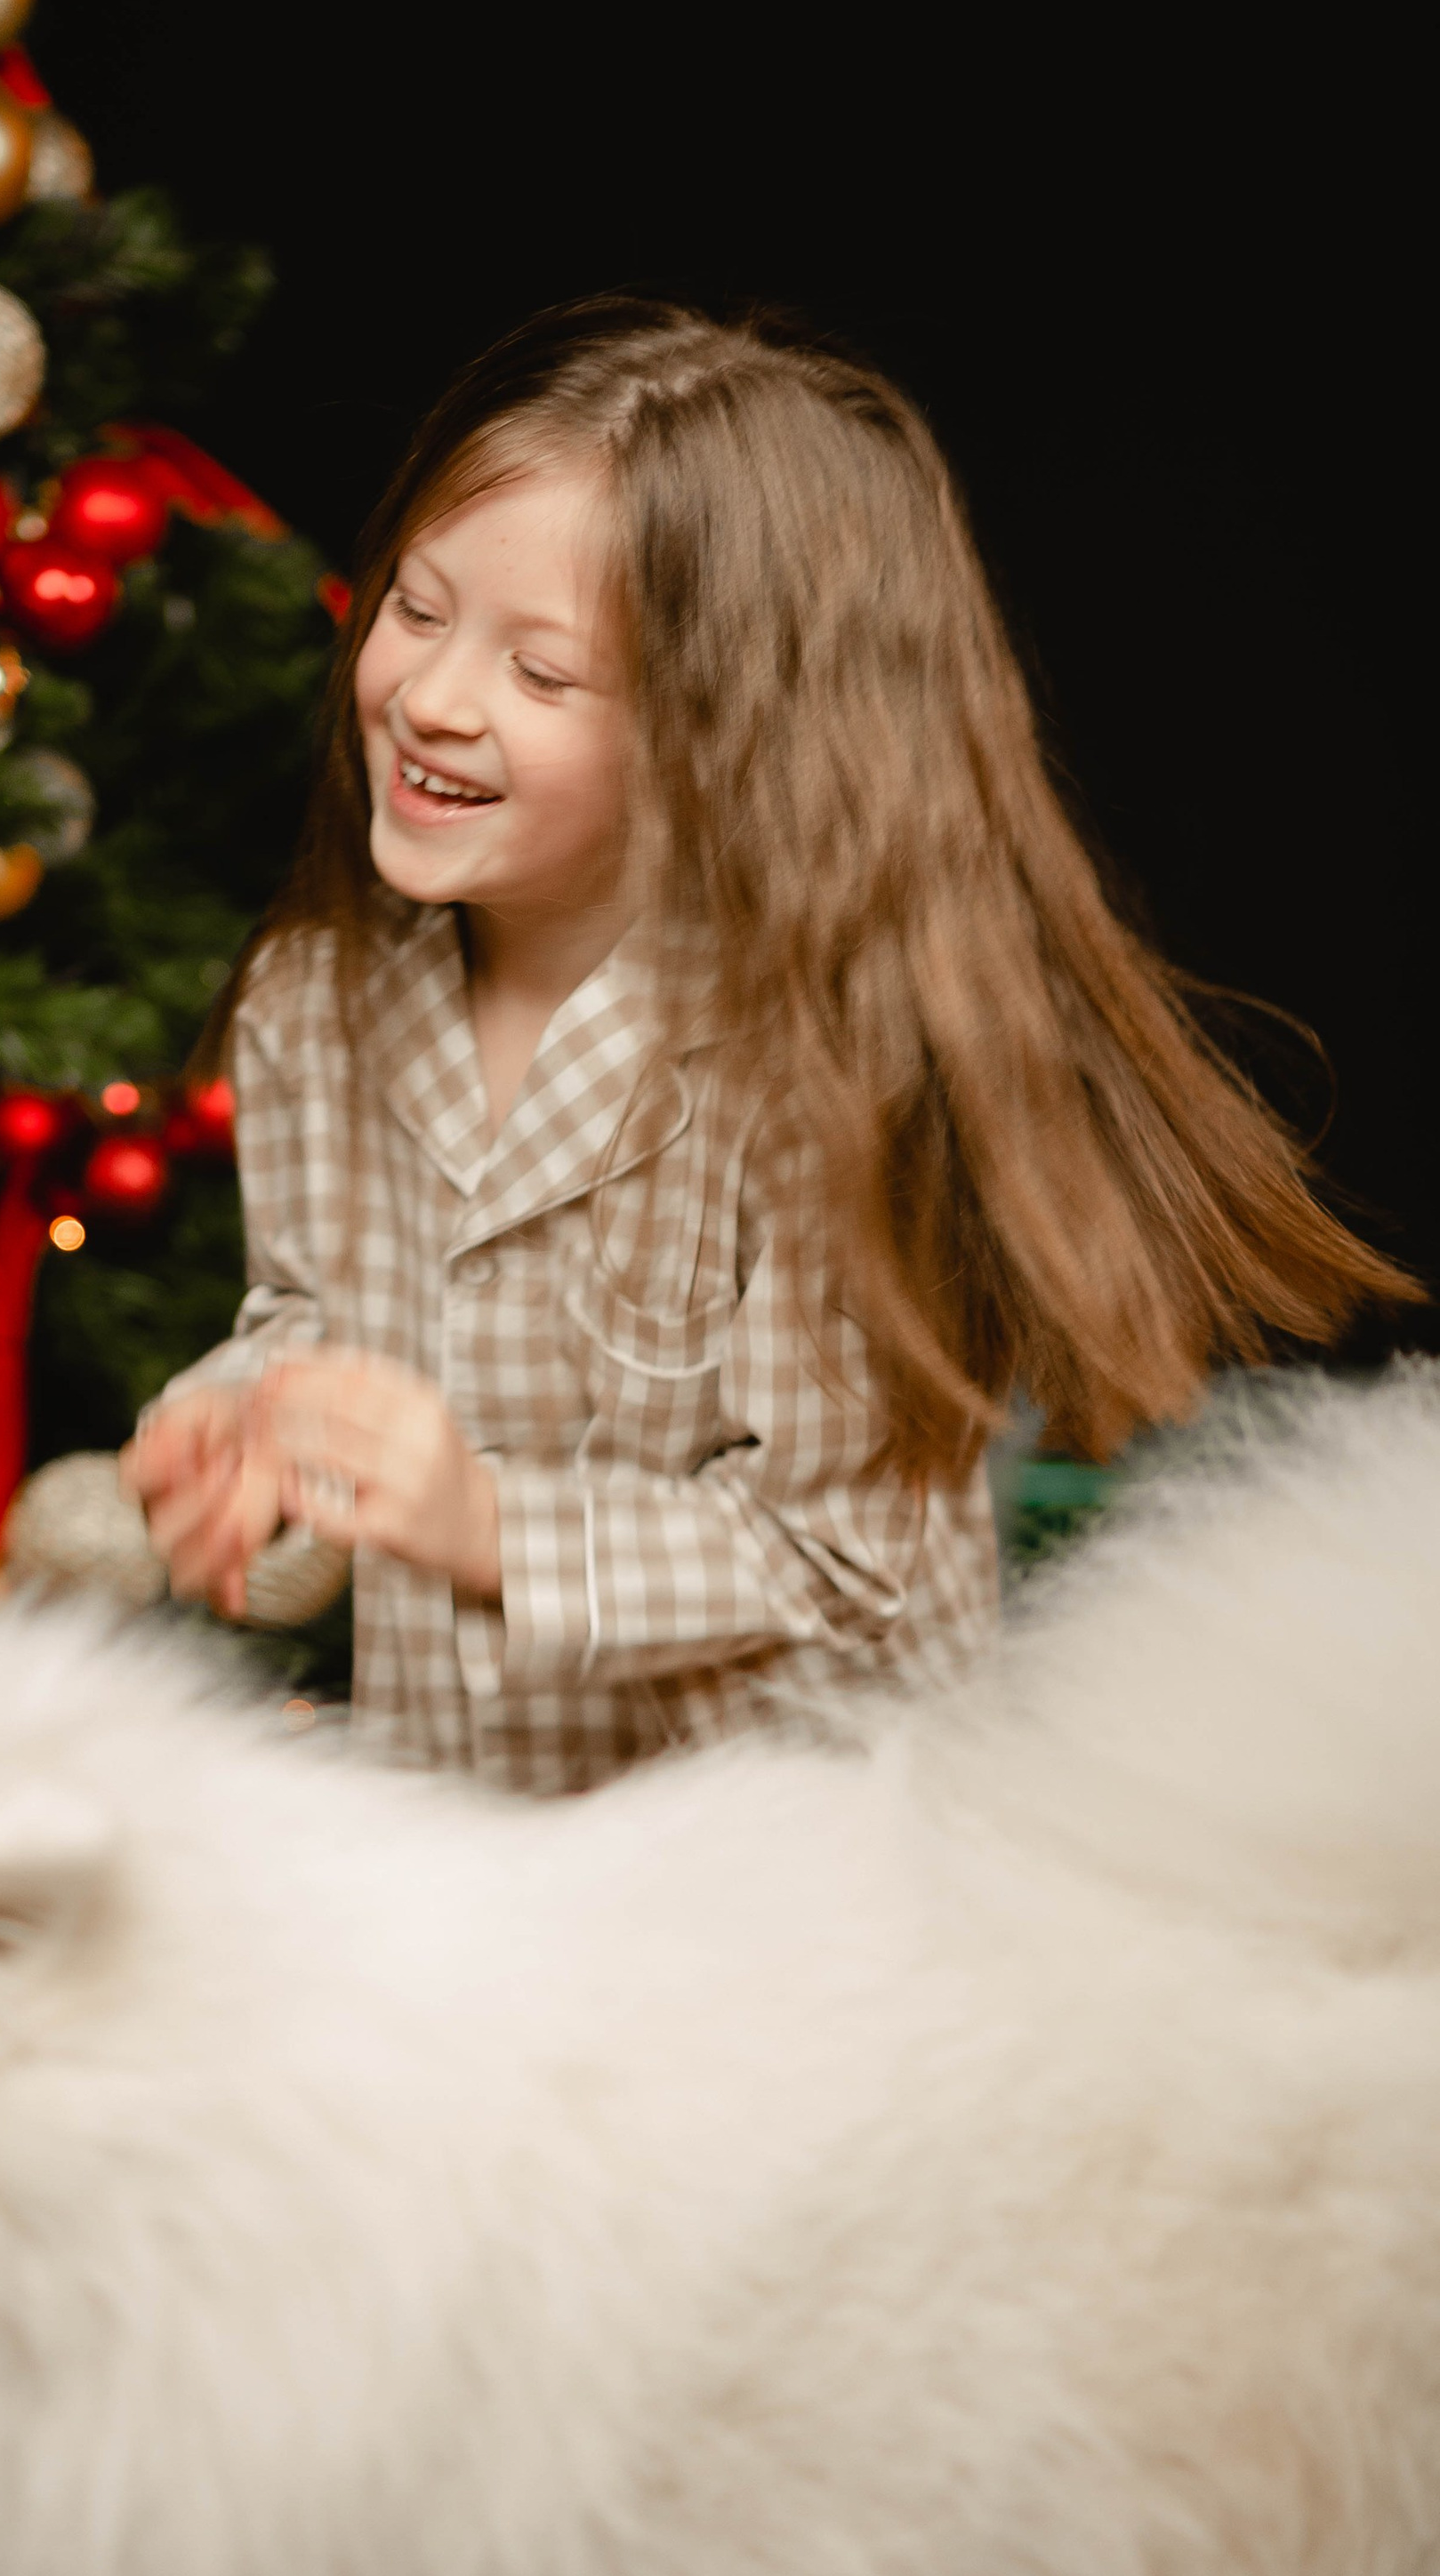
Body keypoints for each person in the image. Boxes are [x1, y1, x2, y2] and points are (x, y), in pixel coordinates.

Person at [127, 297, 1412, 1790]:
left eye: (541, 675)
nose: (428, 697)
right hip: (461, 1839)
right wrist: (240, 1420)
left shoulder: (808, 1075)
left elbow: (844, 1563)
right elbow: (312, 1306)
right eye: (416, 608)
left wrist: (486, 1525)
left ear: (713, 730)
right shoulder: (315, 1004)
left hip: (792, 1866)